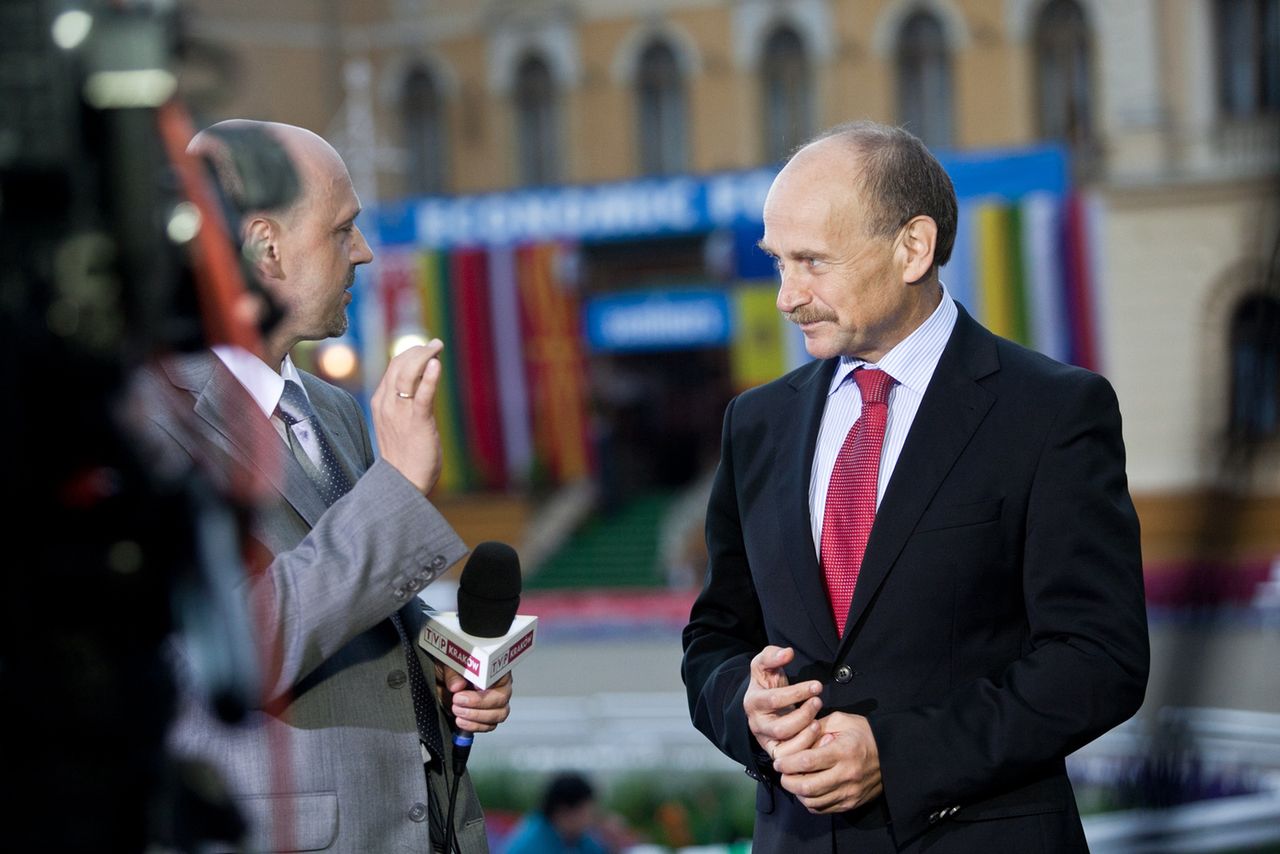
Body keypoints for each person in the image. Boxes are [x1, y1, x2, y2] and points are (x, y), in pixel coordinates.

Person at [681, 121, 1149, 852]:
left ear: (913, 248)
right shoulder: (757, 422)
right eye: (778, 262)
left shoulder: (1051, 412)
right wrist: (744, 706)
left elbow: (1099, 659)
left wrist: (897, 756)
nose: (786, 296)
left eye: (811, 262)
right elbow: (714, 638)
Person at [140, 120, 512, 852]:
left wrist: (437, 661)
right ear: (264, 248)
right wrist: (400, 485)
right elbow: (230, 648)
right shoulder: (149, 417)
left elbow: (350, 601)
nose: (363, 252)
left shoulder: (330, 407)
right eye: (342, 230)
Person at [501, 773, 608, 854]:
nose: (593, 818)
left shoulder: (573, 836)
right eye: (588, 812)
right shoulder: (532, 845)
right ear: (565, 812)